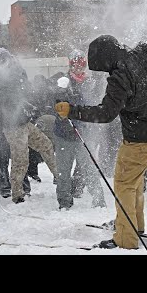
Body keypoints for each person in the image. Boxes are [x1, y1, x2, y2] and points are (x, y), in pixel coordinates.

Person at [54, 0, 147, 249]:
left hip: (141, 138)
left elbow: (105, 114)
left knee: (123, 182)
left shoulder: (119, 79)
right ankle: (134, 222)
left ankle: (125, 237)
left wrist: (71, 110)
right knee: (135, 179)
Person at [0, 47, 58, 204]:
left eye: (7, 59)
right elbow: (4, 95)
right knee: (21, 160)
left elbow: (25, 91)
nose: (6, 63)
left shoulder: (18, 73)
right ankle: (17, 194)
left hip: (25, 122)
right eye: (1, 60)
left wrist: (30, 106)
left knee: (46, 145)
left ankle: (61, 178)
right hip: (13, 126)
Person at [52, 50, 107, 209]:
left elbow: (96, 105)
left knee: (90, 170)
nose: (78, 67)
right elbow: (55, 105)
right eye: (74, 63)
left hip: (84, 135)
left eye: (81, 63)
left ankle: (99, 202)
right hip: (64, 134)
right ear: (70, 64)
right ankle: (64, 203)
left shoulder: (91, 83)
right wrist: (61, 97)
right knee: (63, 172)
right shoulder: (62, 82)